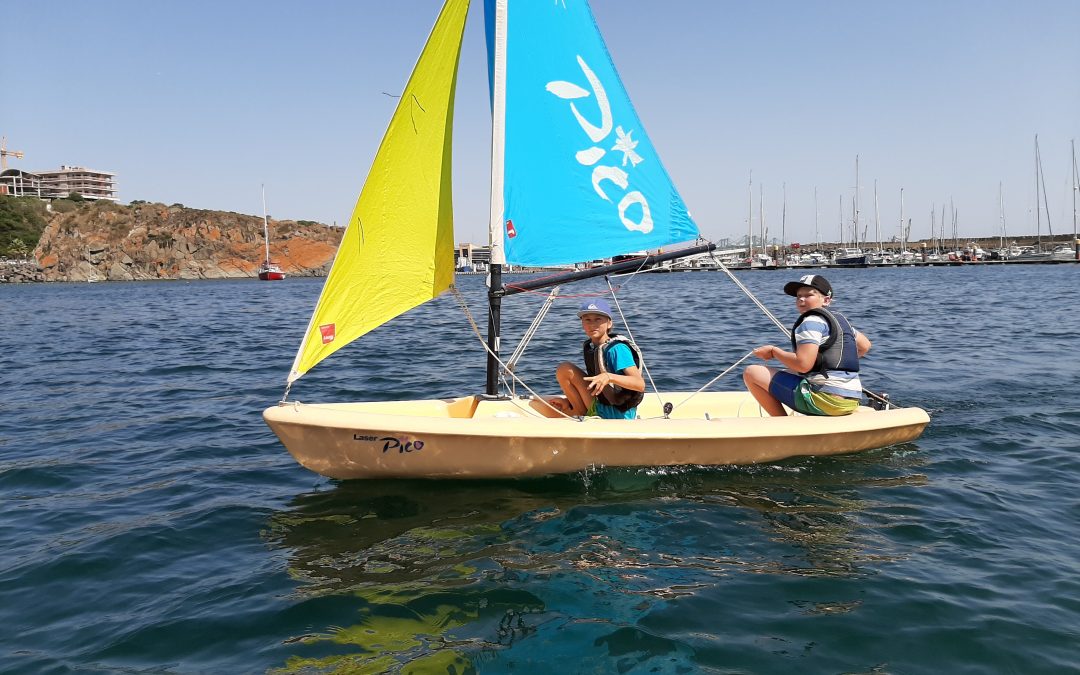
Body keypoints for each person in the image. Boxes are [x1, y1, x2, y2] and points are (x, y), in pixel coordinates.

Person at [742, 274, 871, 416]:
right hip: (851, 401)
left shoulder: (810, 322)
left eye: (809, 295)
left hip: (825, 401)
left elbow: (803, 365)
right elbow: (865, 346)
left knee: (752, 372)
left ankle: (782, 425)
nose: (801, 299)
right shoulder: (840, 321)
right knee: (789, 371)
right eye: (798, 296)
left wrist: (774, 352)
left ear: (826, 300)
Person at [545, 299, 646, 419]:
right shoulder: (596, 347)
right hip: (602, 405)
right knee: (564, 369)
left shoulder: (617, 349)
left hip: (619, 415)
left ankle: (582, 413)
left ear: (609, 323)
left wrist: (609, 377)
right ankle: (578, 409)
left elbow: (640, 384)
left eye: (598, 319)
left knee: (565, 369)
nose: (592, 324)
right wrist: (569, 400)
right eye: (587, 320)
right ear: (582, 323)